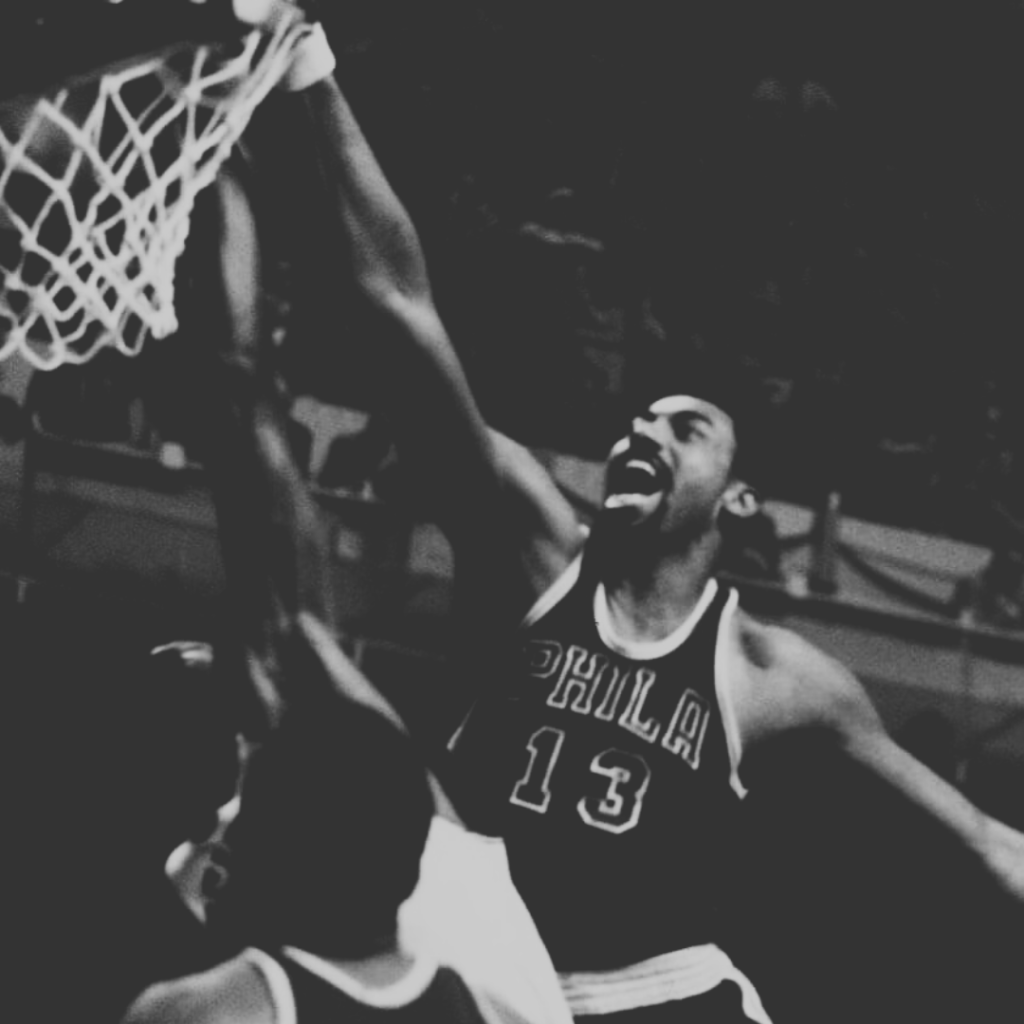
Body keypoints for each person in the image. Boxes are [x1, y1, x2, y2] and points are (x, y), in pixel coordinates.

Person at [281, 9, 1024, 1023]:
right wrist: (311, 70)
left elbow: (980, 839)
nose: (645, 432)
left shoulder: (770, 676)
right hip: (488, 976)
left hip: (654, 996)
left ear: (738, 499)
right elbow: (401, 308)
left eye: (686, 428)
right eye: (638, 421)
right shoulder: (530, 548)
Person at [121, 31, 569, 1016]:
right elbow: (367, 328)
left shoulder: (223, 966)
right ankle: (248, 98)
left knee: (276, 409)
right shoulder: (434, 904)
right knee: (350, 366)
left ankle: (231, 121)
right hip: (458, 886)